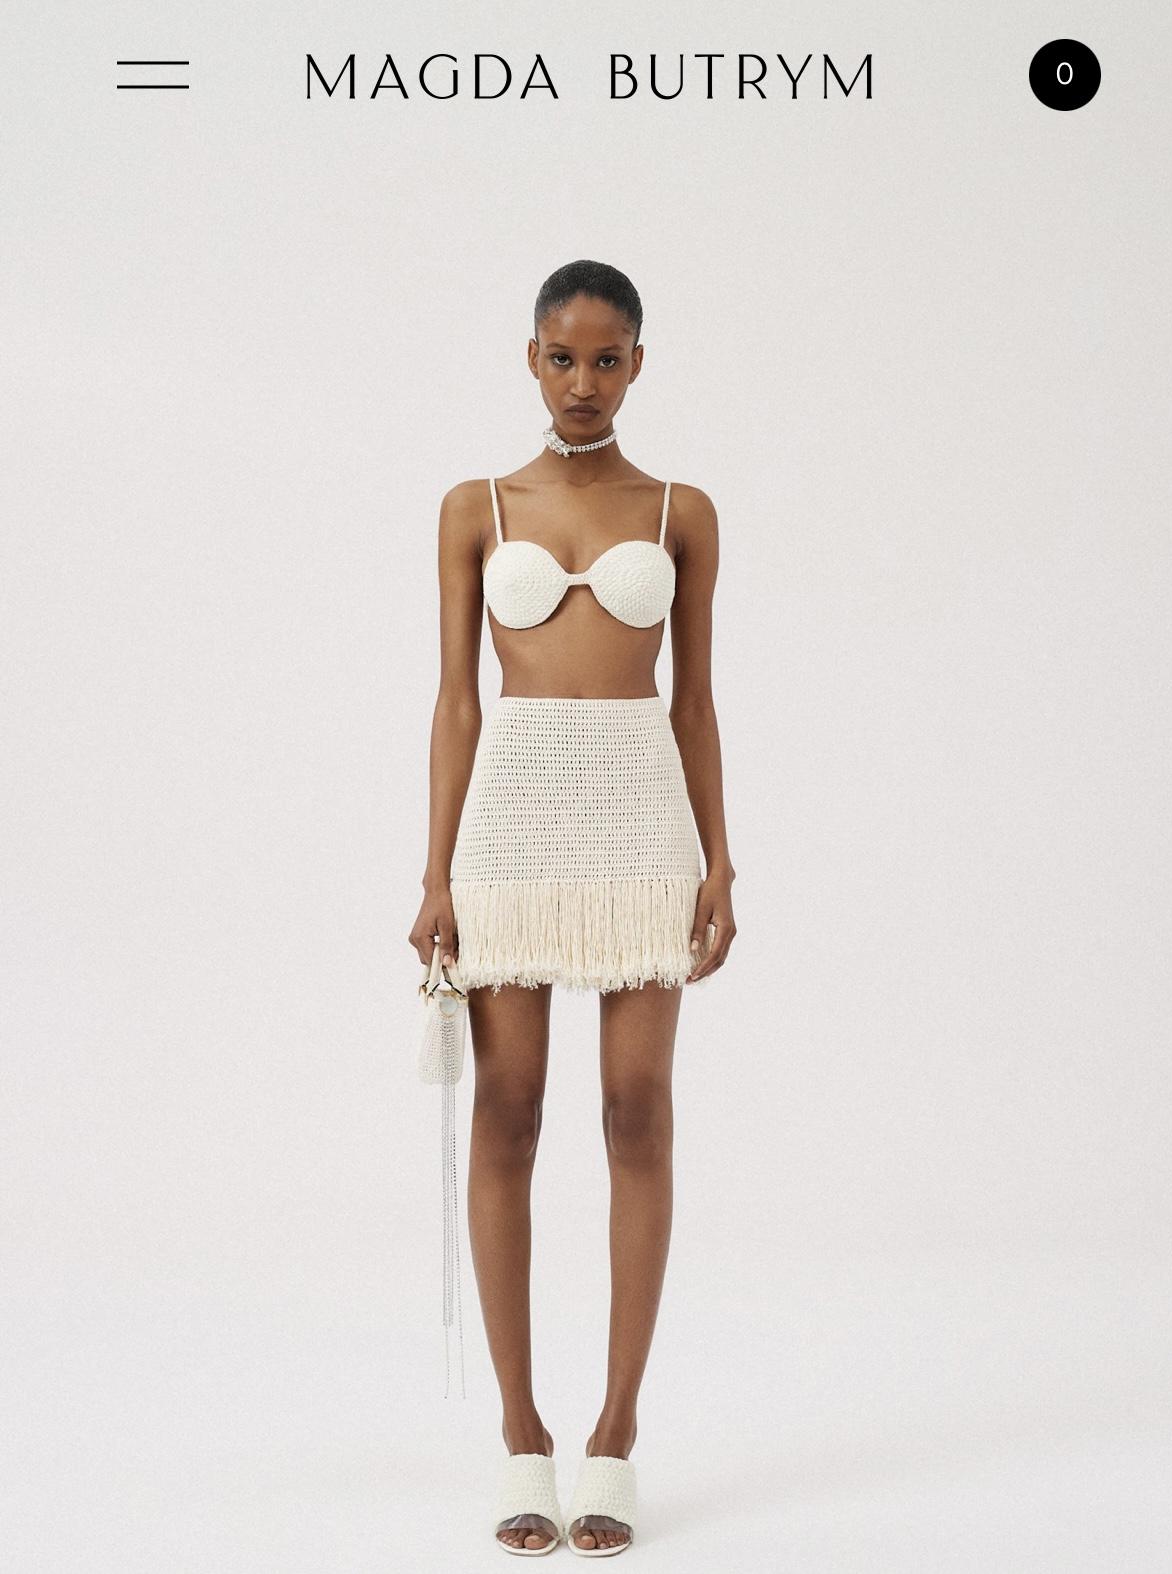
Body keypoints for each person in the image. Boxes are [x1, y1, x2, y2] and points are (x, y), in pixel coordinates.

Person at [409, 259, 736, 1557]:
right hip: (513, 821)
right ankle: (520, 1433)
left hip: (641, 817)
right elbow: (456, 700)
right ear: (531, 358)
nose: (583, 383)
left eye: (607, 360)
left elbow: (695, 700)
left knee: (637, 1109)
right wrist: (435, 873)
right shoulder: (476, 508)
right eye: (562, 358)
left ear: (638, 364)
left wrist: (722, 863)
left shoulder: (681, 511)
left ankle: (615, 1430)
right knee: (509, 1109)